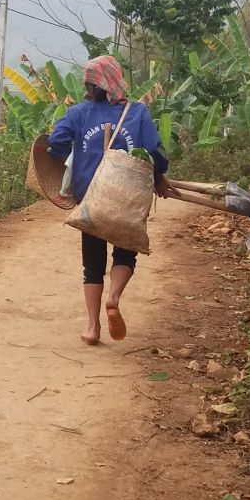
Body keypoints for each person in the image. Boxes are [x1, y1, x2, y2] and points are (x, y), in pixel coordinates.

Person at [47, 55, 172, 346]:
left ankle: (92, 328)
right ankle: (114, 297)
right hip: (127, 198)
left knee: (92, 263)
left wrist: (65, 157)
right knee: (125, 254)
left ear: (91, 84)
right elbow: (154, 150)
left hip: (91, 197)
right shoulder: (137, 113)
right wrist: (160, 177)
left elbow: (56, 143)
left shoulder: (78, 113)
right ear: (116, 81)